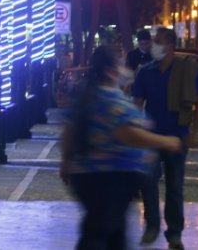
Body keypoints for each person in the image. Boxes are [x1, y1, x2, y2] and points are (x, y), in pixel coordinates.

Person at [62, 46, 183, 250]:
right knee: (100, 233)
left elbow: (69, 132)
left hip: (91, 176)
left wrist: (66, 162)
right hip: (109, 178)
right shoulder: (109, 99)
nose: (125, 70)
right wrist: (165, 142)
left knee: (110, 232)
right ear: (111, 70)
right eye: (120, 65)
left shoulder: (88, 95)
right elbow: (126, 133)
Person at [131, 27, 198, 249]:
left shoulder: (187, 69)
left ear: (171, 45)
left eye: (159, 41)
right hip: (151, 138)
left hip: (178, 136)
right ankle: (152, 226)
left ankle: (174, 233)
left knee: (175, 186)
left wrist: (193, 133)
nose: (154, 45)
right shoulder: (145, 72)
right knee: (148, 181)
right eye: (154, 41)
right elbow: (137, 104)